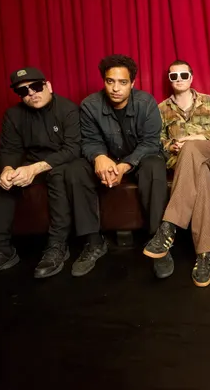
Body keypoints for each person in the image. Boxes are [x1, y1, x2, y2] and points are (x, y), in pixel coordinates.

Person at [0, 67, 80, 285]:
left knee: (59, 174)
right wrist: (7, 170)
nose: (31, 93)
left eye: (36, 87)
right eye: (24, 91)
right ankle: (0, 250)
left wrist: (36, 168)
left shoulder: (68, 109)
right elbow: (9, 149)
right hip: (29, 165)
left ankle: (57, 245)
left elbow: (72, 149)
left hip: (60, 164)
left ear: (48, 86)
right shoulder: (13, 115)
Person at [65, 55, 170, 278]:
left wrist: (124, 166)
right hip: (107, 159)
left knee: (155, 165)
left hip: (139, 159)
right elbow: (89, 141)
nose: (115, 88)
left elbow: (150, 143)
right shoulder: (90, 105)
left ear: (132, 83)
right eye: (110, 81)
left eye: (122, 82)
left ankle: (158, 241)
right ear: (104, 81)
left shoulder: (146, 103)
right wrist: (99, 157)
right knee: (75, 169)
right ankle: (93, 242)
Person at [143, 60, 210, 288]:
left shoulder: (207, 101)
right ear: (169, 80)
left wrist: (194, 138)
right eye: (174, 76)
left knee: (192, 149)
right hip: (182, 161)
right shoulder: (161, 108)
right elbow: (157, 140)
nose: (179, 79)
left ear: (191, 77)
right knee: (200, 174)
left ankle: (169, 226)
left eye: (183, 75)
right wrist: (171, 145)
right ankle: (205, 253)